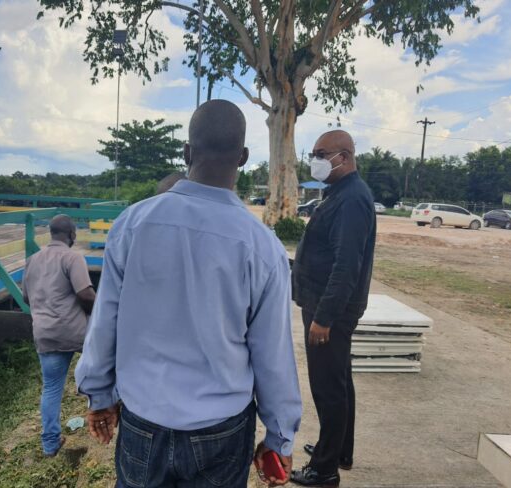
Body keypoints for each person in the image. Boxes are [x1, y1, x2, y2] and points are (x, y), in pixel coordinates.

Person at [75, 99, 302, 488]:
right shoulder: (262, 247)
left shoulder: (132, 225)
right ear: (243, 157)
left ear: (186, 152)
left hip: (142, 421)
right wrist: (279, 436)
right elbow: (272, 353)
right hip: (220, 431)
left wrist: (99, 396)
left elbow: (105, 321)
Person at [290, 131, 376, 487]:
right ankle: (338, 449)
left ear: (345, 156)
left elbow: (346, 265)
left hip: (331, 311)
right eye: (314, 154)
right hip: (328, 304)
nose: (316, 160)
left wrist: (324, 318)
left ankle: (324, 469)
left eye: (322, 154)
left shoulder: (352, 199)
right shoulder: (340, 193)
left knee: (328, 387)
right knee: (339, 380)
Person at [22, 214, 96, 457]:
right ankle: (104, 419)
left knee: (52, 388)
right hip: (75, 332)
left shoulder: (32, 260)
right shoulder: (72, 257)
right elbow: (85, 294)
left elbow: (26, 297)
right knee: (103, 371)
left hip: (45, 333)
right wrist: (100, 313)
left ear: (51, 233)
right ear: (72, 235)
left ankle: (50, 444)